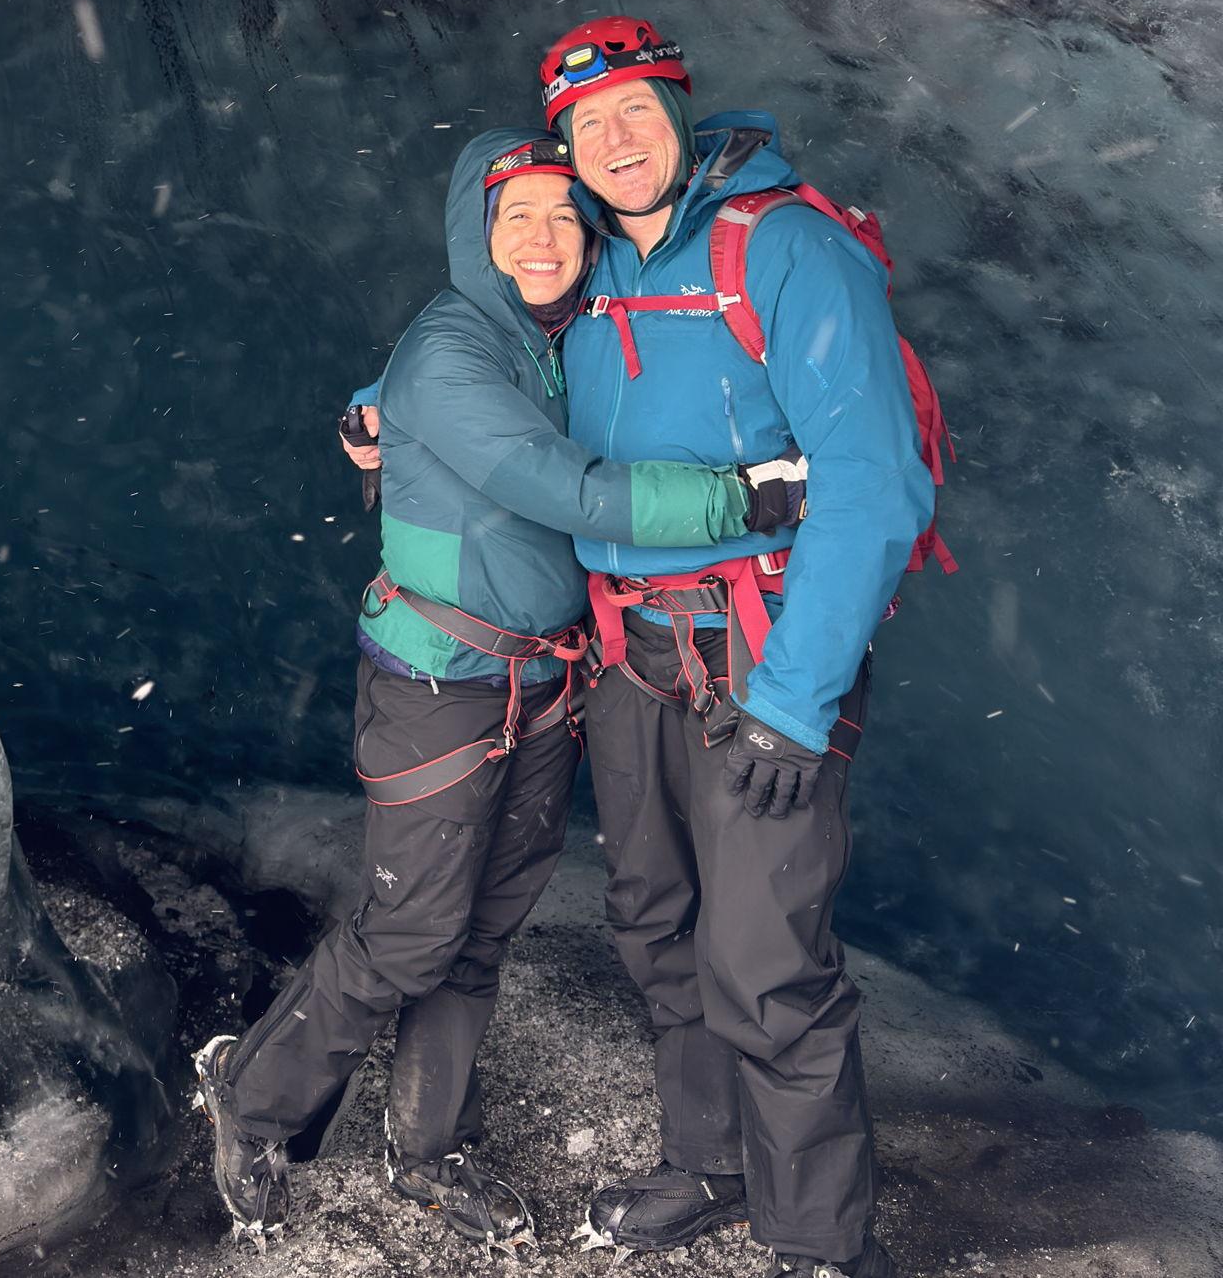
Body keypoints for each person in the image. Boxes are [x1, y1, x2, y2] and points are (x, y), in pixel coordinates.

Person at [195, 129, 803, 1250]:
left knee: (478, 931)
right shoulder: (450, 350)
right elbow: (562, 484)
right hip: (441, 684)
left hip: (543, 681)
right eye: (515, 216)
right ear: (472, 236)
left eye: (564, 215)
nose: (543, 238)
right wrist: (743, 500)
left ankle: (429, 1148)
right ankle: (251, 1097)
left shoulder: (558, 330)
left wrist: (368, 403)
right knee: (411, 931)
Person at [549, 17, 930, 1278]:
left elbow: (871, 483)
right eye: (586, 125)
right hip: (630, 655)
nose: (614, 140)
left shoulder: (783, 248)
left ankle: (819, 1240)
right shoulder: (587, 264)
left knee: (763, 957)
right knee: (655, 922)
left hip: (755, 661)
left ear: (677, 109)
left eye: (633, 110)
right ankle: (708, 1162)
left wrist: (796, 702)